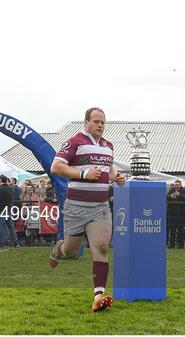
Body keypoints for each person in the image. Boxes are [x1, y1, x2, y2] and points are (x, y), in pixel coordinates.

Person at [49, 107, 125, 313]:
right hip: (76, 207)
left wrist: (116, 177)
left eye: (103, 122)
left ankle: (98, 296)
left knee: (100, 247)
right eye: (97, 121)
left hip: (100, 206)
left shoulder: (108, 146)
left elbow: (108, 169)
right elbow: (56, 167)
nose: (101, 125)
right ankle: (58, 249)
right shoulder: (74, 141)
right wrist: (83, 174)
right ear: (86, 123)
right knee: (71, 252)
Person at [0, 175, 20, 248]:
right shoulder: (11, 189)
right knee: (11, 228)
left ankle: (1, 243)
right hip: (9, 209)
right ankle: (16, 242)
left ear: (0, 180)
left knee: (1, 227)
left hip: (1, 209)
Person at [167, 180, 185, 248]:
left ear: (180, 185)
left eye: (177, 185)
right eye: (175, 185)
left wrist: (179, 195)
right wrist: (170, 197)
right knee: (172, 229)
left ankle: (181, 245)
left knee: (180, 229)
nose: (176, 186)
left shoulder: (184, 190)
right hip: (171, 213)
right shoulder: (171, 190)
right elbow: (166, 197)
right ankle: (171, 245)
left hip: (181, 213)